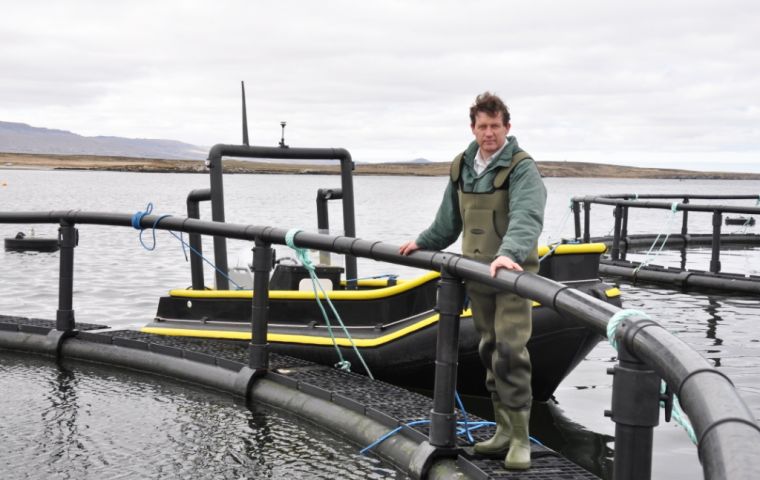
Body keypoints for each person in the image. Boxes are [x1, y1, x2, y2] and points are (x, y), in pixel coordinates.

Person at [399, 92, 546, 470]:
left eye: (496, 126)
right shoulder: (462, 166)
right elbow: (449, 220)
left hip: (511, 277)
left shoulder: (522, 168)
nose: (489, 134)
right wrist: (423, 242)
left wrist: (509, 253)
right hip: (476, 273)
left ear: (507, 127)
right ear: (473, 128)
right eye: (483, 126)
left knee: (511, 352)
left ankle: (520, 439)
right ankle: (501, 431)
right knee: (488, 348)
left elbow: (527, 217)